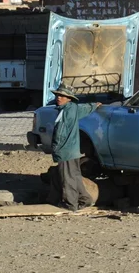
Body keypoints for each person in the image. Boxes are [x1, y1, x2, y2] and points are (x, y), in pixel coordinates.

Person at [47, 83, 102, 211]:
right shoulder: (74, 108)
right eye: (58, 95)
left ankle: (70, 203)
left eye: (62, 96)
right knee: (75, 175)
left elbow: (60, 134)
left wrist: (56, 149)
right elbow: (86, 109)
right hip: (74, 151)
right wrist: (95, 105)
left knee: (67, 178)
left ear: (69, 99)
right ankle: (85, 199)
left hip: (65, 150)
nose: (58, 98)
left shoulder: (65, 112)